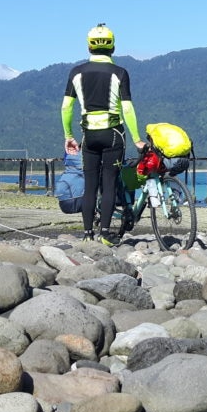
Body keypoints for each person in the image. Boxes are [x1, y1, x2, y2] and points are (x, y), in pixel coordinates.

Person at [60, 23, 146, 246]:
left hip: (89, 135)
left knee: (90, 185)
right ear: (113, 47)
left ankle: (88, 234)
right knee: (108, 183)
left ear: (89, 47)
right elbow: (127, 108)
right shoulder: (120, 73)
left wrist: (68, 134)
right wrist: (136, 138)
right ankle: (105, 233)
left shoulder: (76, 72)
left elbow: (66, 108)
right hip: (113, 134)